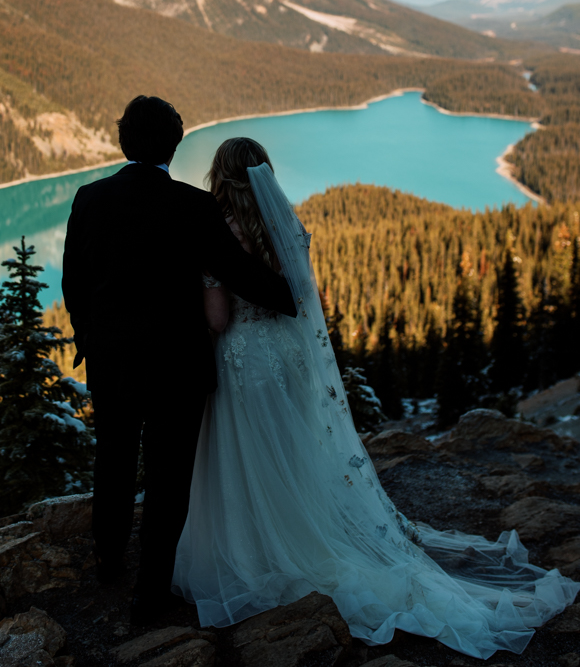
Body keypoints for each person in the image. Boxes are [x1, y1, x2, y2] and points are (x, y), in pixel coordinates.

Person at [173, 137, 579, 659]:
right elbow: (297, 300)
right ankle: (305, 530)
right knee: (292, 454)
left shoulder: (221, 238)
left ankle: (260, 547)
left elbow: (217, 318)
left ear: (219, 177)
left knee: (251, 457)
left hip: (245, 361)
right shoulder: (285, 226)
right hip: (288, 361)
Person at [62, 98, 295, 625]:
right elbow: (235, 271)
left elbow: (75, 283)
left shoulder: (89, 199)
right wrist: (290, 297)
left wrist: (90, 342)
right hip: (177, 367)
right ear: (174, 144)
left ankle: (106, 560)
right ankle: (150, 593)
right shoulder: (193, 206)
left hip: (113, 362)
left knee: (114, 459)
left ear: (124, 143)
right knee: (169, 479)